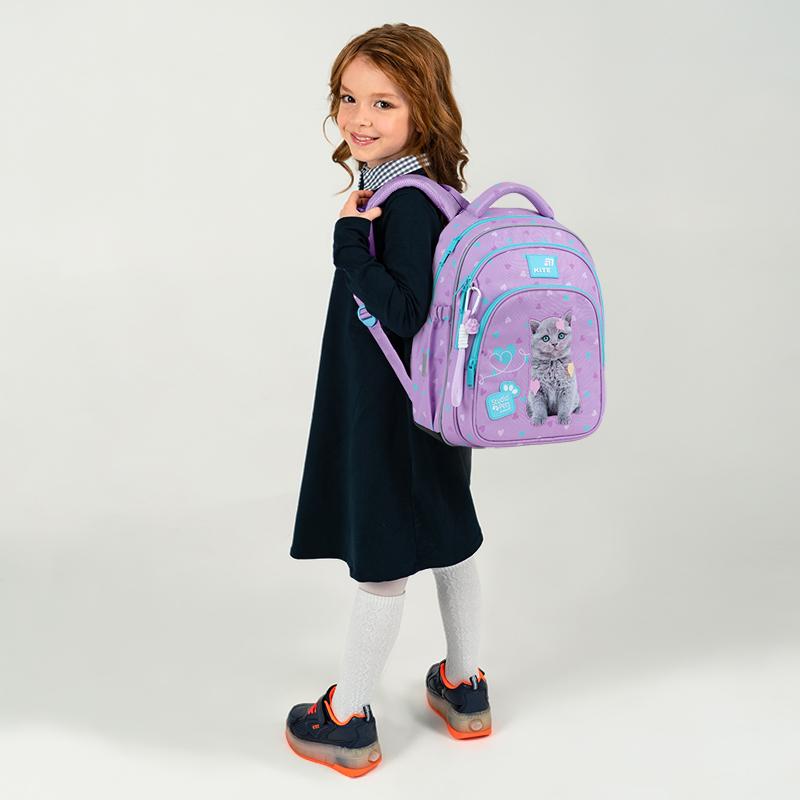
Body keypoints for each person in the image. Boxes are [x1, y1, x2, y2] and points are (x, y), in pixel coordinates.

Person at [285, 23, 491, 778]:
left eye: (384, 103)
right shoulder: (434, 191)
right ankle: (464, 687)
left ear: (423, 110)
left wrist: (346, 241)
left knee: (382, 553)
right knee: (448, 530)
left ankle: (346, 719)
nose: (359, 118)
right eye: (349, 97)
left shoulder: (402, 205)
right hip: (434, 409)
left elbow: (403, 310)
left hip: (390, 412)